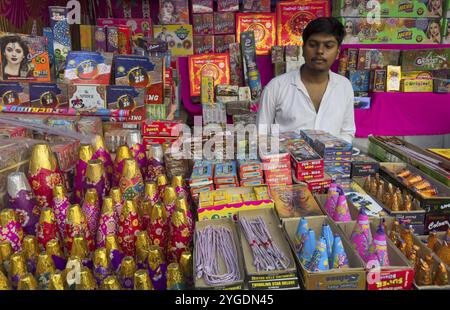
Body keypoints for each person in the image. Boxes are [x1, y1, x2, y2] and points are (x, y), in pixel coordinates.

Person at [257, 17, 356, 143]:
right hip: (286, 161)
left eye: (328, 46)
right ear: (303, 49)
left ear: (337, 53)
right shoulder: (275, 87)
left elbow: (347, 132)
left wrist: (334, 156)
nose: (320, 51)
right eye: (313, 45)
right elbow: (261, 135)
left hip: (332, 161)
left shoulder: (344, 86)